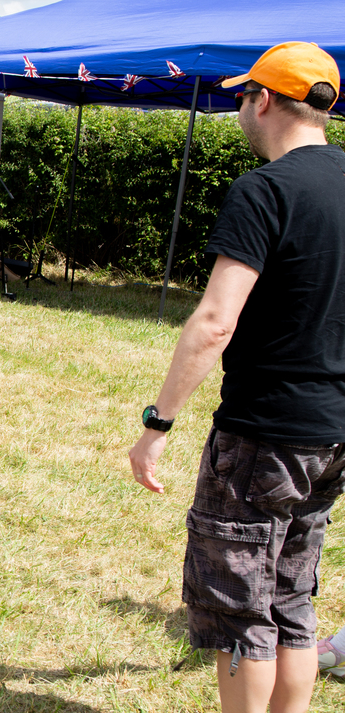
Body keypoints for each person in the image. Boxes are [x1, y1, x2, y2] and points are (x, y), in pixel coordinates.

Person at [128, 42, 345, 713]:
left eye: (242, 98)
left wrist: (157, 423)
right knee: (292, 598)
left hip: (264, 435)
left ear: (267, 100)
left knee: (240, 613)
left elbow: (215, 321)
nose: (240, 110)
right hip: (332, 432)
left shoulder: (265, 189)